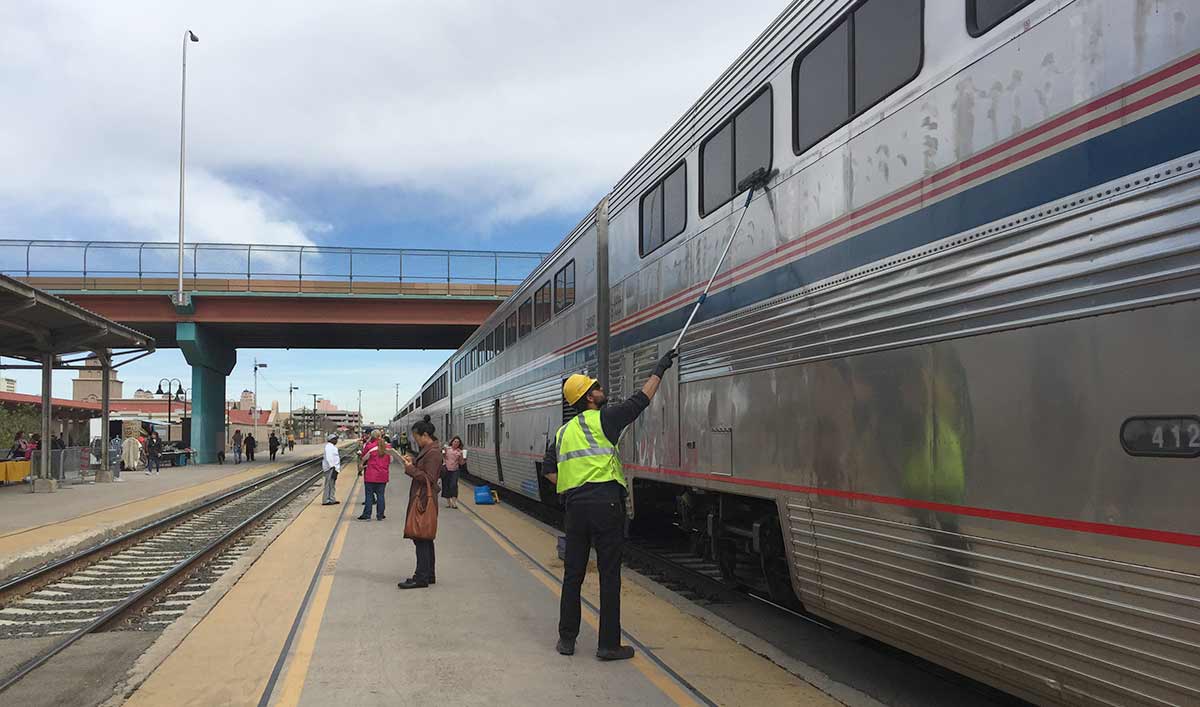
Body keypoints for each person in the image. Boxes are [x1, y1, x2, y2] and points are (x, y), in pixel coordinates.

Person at [544, 348, 677, 661]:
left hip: (575, 508)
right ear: (589, 398)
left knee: (573, 574)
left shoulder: (563, 433)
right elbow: (641, 400)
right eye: (597, 387)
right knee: (609, 575)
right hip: (606, 505)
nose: (601, 390)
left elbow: (550, 471)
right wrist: (660, 369)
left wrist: (572, 484)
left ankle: (566, 640)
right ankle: (607, 645)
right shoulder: (605, 419)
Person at [385, 415, 441, 589]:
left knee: (421, 537)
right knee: (425, 538)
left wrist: (410, 470)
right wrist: (412, 462)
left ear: (425, 435)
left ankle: (421, 577)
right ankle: (428, 574)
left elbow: (429, 478)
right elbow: (423, 469)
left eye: (416, 437)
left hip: (423, 498)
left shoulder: (433, 453)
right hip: (421, 495)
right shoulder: (430, 450)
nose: (415, 441)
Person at [358, 430, 389, 521]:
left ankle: (367, 514)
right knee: (381, 495)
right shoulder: (387, 447)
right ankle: (380, 515)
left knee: (369, 495)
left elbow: (363, 458)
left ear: (372, 437)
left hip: (371, 475)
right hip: (383, 475)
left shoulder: (369, 446)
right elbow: (391, 460)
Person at [442, 436, 465, 509]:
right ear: (452, 442)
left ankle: (454, 503)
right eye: (455, 441)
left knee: (453, 485)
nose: (456, 443)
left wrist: (464, 459)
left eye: (458, 442)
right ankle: (448, 502)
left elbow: (461, 463)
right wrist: (443, 452)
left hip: (455, 470)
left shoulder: (459, 452)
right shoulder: (447, 449)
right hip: (446, 470)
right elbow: (443, 457)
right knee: (446, 485)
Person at [321, 433, 341, 506]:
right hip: (330, 468)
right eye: (335, 439)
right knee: (329, 484)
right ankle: (326, 500)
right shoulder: (329, 447)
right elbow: (329, 458)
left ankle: (331, 498)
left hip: (333, 468)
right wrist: (333, 467)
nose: (336, 440)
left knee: (332, 484)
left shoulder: (332, 447)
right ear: (331, 440)